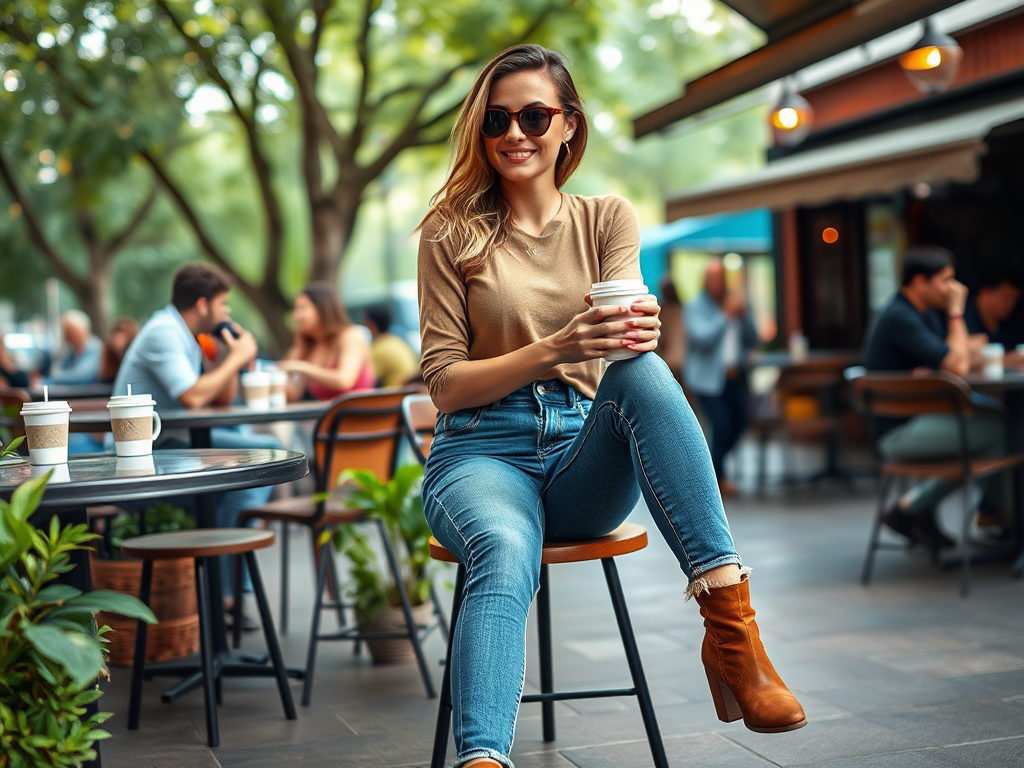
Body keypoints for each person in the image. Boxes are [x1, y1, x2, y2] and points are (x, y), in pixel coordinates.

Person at [416, 45, 804, 768]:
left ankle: (734, 641)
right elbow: (443, 384)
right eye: (496, 119)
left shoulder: (605, 218)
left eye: (535, 115)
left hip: (579, 452)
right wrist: (557, 346)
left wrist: (639, 327)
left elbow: (624, 333)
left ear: (569, 125)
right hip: (478, 454)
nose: (514, 133)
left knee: (647, 373)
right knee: (503, 549)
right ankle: (481, 761)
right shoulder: (450, 232)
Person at [113, 263, 281, 616]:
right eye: (224, 304)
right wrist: (236, 358)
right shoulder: (164, 332)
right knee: (262, 462)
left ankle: (224, 593)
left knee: (261, 463)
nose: (227, 313)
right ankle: (224, 595)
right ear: (203, 304)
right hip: (148, 455)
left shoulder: (187, 337)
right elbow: (192, 396)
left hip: (177, 446)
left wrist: (226, 354)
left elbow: (219, 398)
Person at [862, 245, 1009, 544]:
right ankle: (998, 514)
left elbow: (960, 355)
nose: (952, 289)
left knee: (999, 428)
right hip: (898, 433)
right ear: (919, 281)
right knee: (1004, 429)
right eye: (946, 280)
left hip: (922, 421)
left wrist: (965, 352)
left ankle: (922, 509)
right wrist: (957, 312)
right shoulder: (900, 317)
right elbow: (958, 362)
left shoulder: (919, 313)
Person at [683, 260, 759, 497]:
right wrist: (725, 315)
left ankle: (711, 469)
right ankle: (716, 477)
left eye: (720, 278)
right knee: (722, 424)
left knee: (742, 421)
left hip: (735, 377)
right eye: (712, 278)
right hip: (706, 380)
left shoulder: (736, 304)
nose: (717, 283)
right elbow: (702, 339)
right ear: (705, 281)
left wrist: (744, 317)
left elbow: (753, 340)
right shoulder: (695, 307)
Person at [278, 283, 375, 401]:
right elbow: (292, 396)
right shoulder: (309, 346)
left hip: (357, 413)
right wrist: (285, 373)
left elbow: (344, 381)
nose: (296, 315)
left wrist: (300, 366)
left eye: (302, 308)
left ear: (322, 309)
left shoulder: (350, 335)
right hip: (326, 414)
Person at [363, 303, 419, 388]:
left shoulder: (379, 348)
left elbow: (367, 380)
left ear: (370, 324)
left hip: (394, 396)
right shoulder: (398, 341)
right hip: (409, 392)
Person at [964, 274, 1022, 353]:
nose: (1010, 304)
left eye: (1014, 300)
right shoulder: (963, 318)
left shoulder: (1009, 322)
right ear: (985, 293)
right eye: (1006, 297)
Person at [46, 310, 103, 385]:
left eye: (68, 332)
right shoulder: (71, 352)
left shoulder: (95, 348)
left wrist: (53, 378)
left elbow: (83, 377)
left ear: (78, 331)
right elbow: (58, 369)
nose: (65, 337)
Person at [654, 273, 685, 385]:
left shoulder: (664, 312)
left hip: (669, 360)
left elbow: (661, 337)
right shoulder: (683, 309)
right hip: (684, 360)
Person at [98, 317, 139, 383]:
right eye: (116, 331)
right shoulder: (107, 363)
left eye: (122, 332)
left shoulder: (135, 364)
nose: (117, 336)